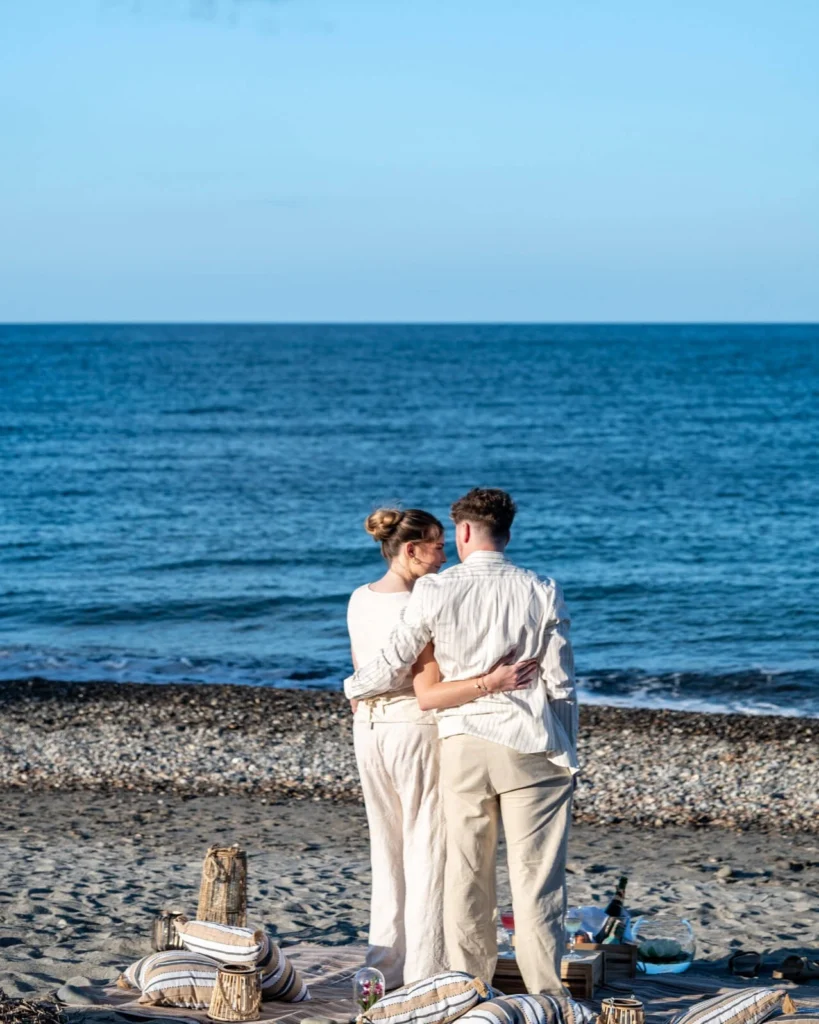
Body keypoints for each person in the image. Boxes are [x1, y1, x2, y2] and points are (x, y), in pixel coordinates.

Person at [345, 489, 578, 996]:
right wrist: (567, 749)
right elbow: (560, 684)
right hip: (529, 745)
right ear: (507, 533)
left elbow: (393, 661)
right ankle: (547, 998)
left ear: (465, 530)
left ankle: (472, 993)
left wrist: (353, 687)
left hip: (462, 744)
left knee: (466, 879)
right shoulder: (541, 587)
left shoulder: (434, 591)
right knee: (537, 881)